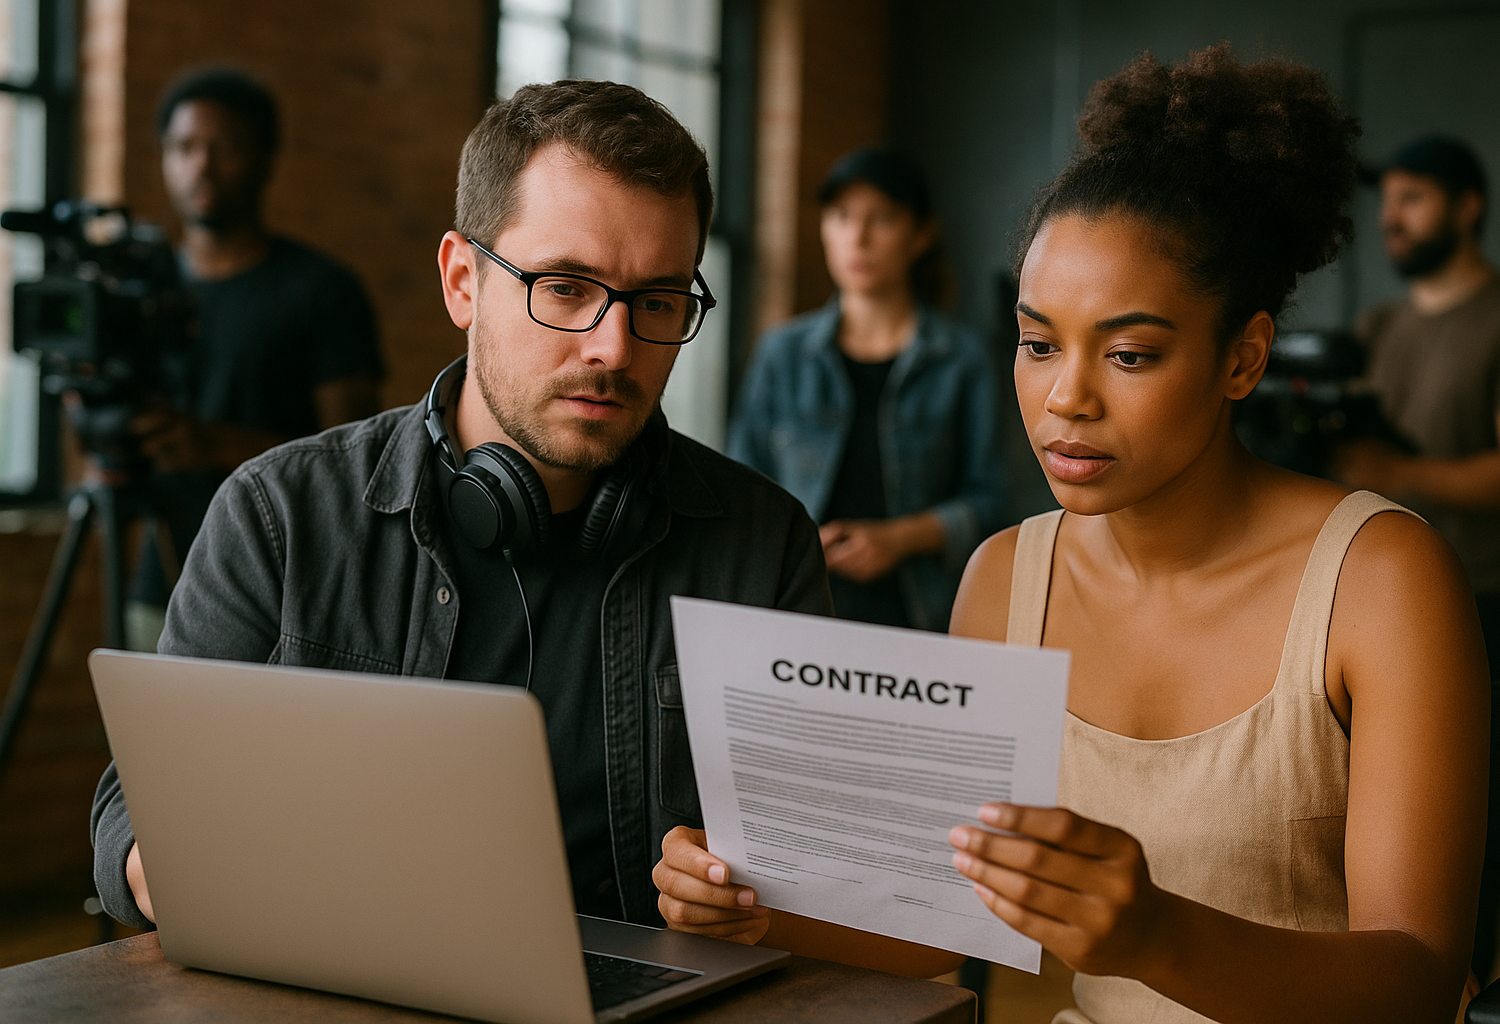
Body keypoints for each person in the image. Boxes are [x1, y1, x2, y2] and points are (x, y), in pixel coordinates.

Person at [655, 46, 1487, 1022]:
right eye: (1038, 342)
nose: (1066, 398)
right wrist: (752, 905)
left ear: (1243, 356)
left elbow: (1421, 982)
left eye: (1129, 352)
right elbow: (942, 918)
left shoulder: (1383, 578)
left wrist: (1155, 937)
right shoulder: (1007, 575)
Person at [90, 79, 957, 978]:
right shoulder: (279, 515)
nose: (612, 348)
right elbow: (135, 808)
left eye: (657, 302)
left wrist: (755, 898)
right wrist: (183, 867)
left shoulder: (762, 541)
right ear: (463, 282)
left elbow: (838, 879)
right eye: (567, 287)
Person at [123, 67, 383, 650]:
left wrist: (214, 444)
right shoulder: (138, 291)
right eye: (184, 148)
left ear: (267, 159)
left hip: (286, 589)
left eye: (226, 148)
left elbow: (356, 461)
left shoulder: (321, 290)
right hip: (161, 577)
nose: (202, 167)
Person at [727, 147, 1007, 631]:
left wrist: (899, 538)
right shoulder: (782, 353)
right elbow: (738, 487)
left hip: (920, 617)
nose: (857, 238)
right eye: (840, 217)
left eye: (882, 218)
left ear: (921, 234)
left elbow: (993, 502)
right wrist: (797, 542)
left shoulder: (962, 360)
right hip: (794, 609)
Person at [1337, 134, 1500, 684]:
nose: (1389, 218)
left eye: (1413, 198)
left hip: (1478, 596)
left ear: (1468, 208)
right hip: (1367, 584)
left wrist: (1397, 473)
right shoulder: (1378, 326)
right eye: (1387, 201)